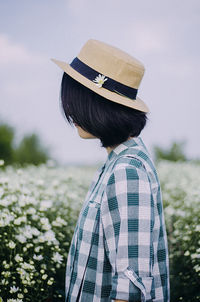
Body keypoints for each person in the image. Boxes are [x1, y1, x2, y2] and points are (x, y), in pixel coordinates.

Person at [51, 39, 170, 302]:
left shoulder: (127, 170)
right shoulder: (116, 162)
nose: (69, 111)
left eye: (75, 101)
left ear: (97, 104)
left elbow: (130, 287)